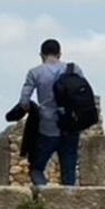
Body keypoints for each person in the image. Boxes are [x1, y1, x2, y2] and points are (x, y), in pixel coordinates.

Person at [15, 38, 80, 186]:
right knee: (69, 171)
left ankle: (44, 194)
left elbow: (24, 102)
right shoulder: (73, 69)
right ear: (59, 54)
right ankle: (68, 199)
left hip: (47, 127)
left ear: (41, 55)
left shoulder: (35, 72)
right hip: (70, 126)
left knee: (37, 168)